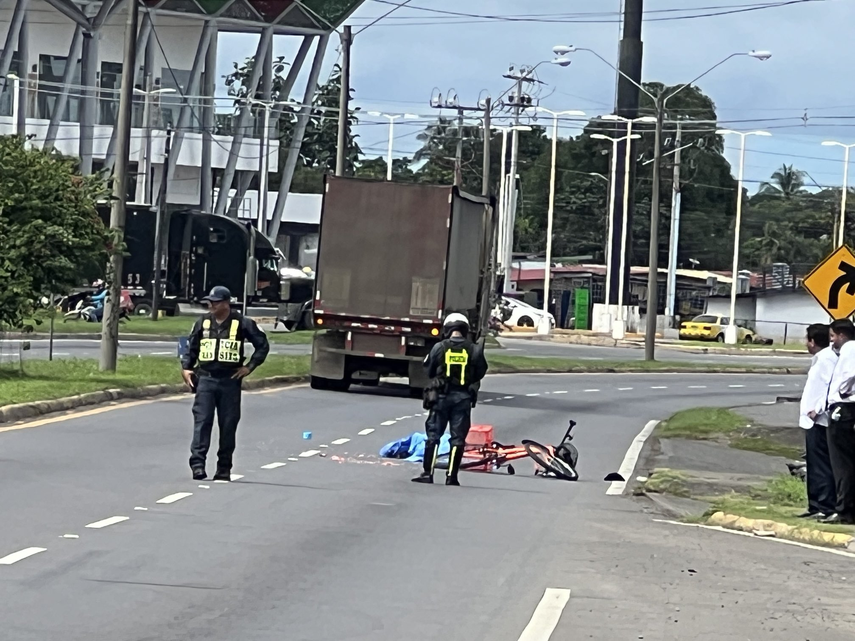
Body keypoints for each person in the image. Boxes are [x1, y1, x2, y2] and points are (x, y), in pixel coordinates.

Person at [181, 286, 270, 481]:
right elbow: (190, 346)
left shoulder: (243, 323)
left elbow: (262, 345)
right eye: (210, 301)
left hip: (230, 381)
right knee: (202, 422)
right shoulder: (202, 322)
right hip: (205, 378)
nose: (211, 305)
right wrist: (186, 367)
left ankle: (223, 468)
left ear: (226, 303)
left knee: (228, 425)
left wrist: (249, 367)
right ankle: (198, 465)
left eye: (216, 301)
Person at [412, 313, 489, 486]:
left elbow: (429, 370)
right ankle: (451, 477)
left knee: (433, 436)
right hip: (462, 399)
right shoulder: (474, 349)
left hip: (440, 398)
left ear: (447, 329)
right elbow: (480, 372)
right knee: (458, 439)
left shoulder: (439, 347)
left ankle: (427, 473)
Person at [798, 323, 837, 519]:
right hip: (813, 419)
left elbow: (830, 386)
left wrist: (818, 409)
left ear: (813, 342)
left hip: (820, 419)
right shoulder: (822, 358)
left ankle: (824, 505)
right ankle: (815, 505)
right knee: (814, 463)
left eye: (807, 339)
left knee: (821, 464)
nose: (806, 343)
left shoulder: (826, 359)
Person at [823, 318, 855, 524]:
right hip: (847, 407)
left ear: (842, 335)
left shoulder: (850, 348)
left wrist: (841, 394)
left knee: (842, 462)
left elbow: (851, 374)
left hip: (845, 408)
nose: (832, 341)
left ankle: (844, 510)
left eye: (833, 337)